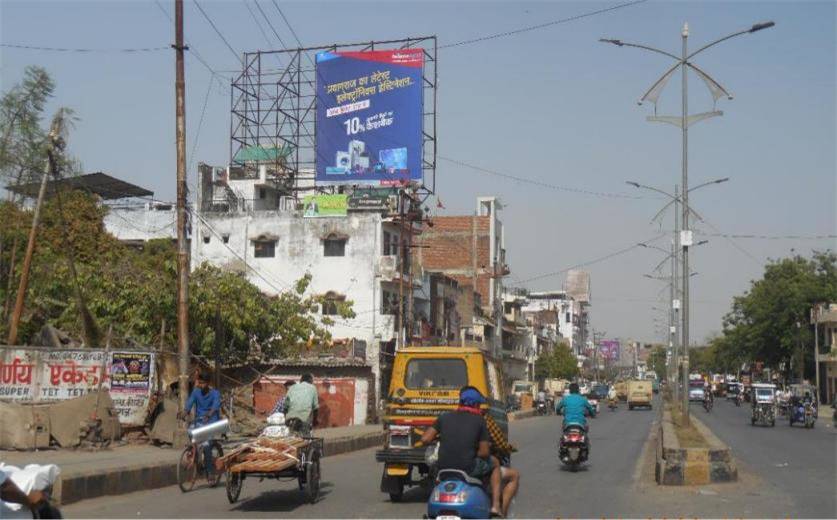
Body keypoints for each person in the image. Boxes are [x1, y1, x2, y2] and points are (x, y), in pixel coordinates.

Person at [420, 387, 504, 518]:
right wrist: (470, 451)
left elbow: (425, 439)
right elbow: (484, 453)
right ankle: (496, 506)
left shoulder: (444, 417)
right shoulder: (479, 421)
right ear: (476, 405)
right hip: (467, 467)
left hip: (443, 467)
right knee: (495, 463)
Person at [180, 371, 222, 478]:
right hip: (199, 421)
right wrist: (184, 413)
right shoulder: (196, 392)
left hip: (212, 422)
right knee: (190, 430)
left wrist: (209, 414)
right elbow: (189, 404)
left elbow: (216, 406)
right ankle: (196, 454)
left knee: (207, 445)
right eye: (200, 383)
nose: (201, 385)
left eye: (203, 383)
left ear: (208, 383)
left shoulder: (215, 393)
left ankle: (210, 471)